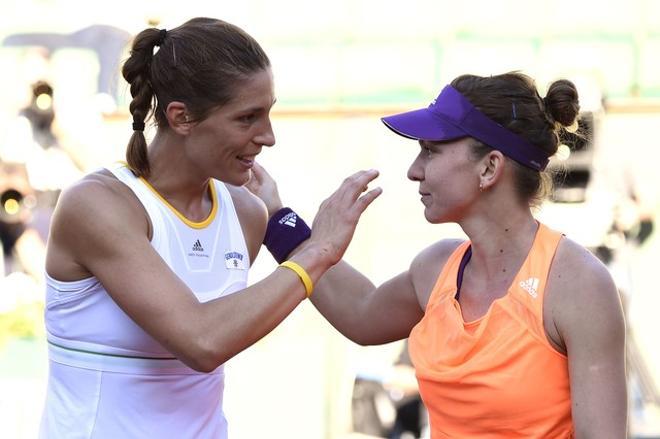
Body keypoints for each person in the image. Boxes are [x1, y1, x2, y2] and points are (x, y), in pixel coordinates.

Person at [38, 17, 381, 438]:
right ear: (181, 118)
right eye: (247, 118)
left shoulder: (246, 213)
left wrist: (292, 231)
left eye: (268, 113)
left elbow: (366, 317)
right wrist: (317, 250)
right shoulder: (97, 204)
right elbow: (202, 341)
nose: (268, 136)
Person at [248, 72, 627, 437]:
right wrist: (279, 219)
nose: (414, 171)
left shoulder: (577, 284)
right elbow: (360, 313)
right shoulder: (438, 267)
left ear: (490, 166)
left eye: (430, 151)